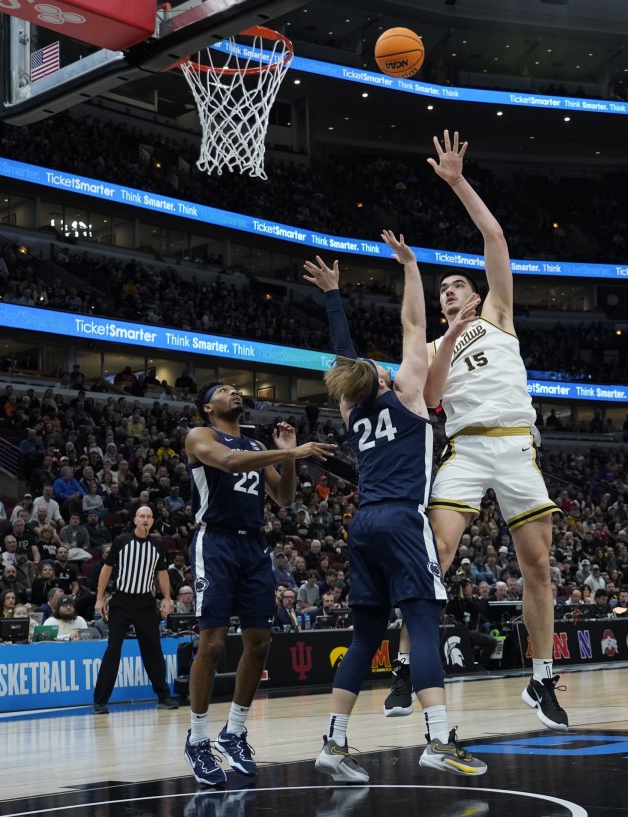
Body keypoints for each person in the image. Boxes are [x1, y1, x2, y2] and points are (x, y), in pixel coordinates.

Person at [383, 131, 567, 731]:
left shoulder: (501, 316)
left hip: (516, 443)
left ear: (477, 292)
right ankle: (407, 666)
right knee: (435, 554)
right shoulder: (439, 343)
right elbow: (432, 399)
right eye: (443, 290)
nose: (451, 290)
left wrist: (458, 182)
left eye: (457, 284)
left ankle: (541, 682)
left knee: (537, 565)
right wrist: (452, 337)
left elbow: (495, 237)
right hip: (464, 447)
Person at [309, 229, 486, 784]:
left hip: (361, 524)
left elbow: (343, 359)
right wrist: (409, 266)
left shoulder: (352, 411)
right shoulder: (407, 394)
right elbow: (415, 326)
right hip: (404, 519)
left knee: (364, 637)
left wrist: (335, 297)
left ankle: (333, 744)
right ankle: (438, 737)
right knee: (423, 625)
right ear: (382, 377)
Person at [182, 383, 336, 787]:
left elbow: (283, 498)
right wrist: (289, 452)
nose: (235, 393)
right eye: (225, 390)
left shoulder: (253, 441)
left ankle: (233, 731)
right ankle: (198, 739)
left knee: (260, 642)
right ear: (208, 405)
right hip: (214, 541)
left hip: (252, 544)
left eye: (237, 389)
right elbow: (230, 463)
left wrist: (289, 455)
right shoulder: (202, 436)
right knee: (212, 643)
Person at [92, 505, 178, 714]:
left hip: (146, 603)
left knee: (153, 651)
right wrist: (100, 598)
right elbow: (107, 569)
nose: (145, 519)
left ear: (152, 520)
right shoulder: (121, 541)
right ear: (135, 520)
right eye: (142, 516)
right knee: (113, 649)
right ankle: (100, 701)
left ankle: (163, 696)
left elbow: (162, 573)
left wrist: (166, 597)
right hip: (122, 601)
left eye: (149, 516)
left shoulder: (157, 545)